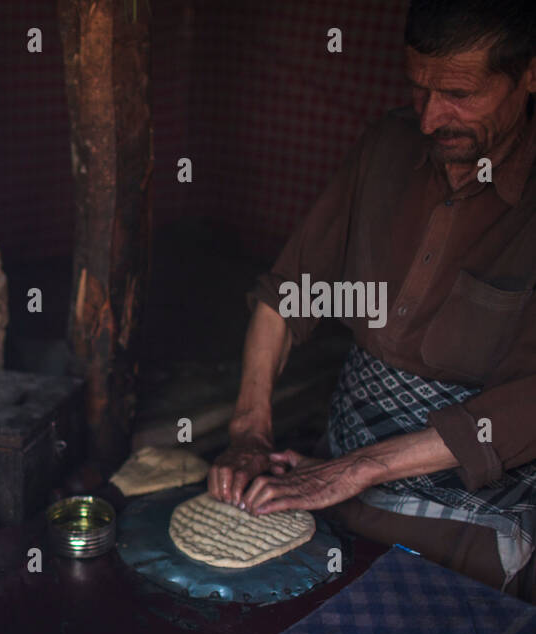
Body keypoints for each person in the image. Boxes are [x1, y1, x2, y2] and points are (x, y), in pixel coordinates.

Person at [209, 0, 536, 599]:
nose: (433, 117)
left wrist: (360, 469)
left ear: (529, 75)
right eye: (419, 90)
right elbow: (291, 291)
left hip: (482, 505)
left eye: (460, 94)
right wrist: (249, 427)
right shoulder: (388, 146)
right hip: (340, 456)